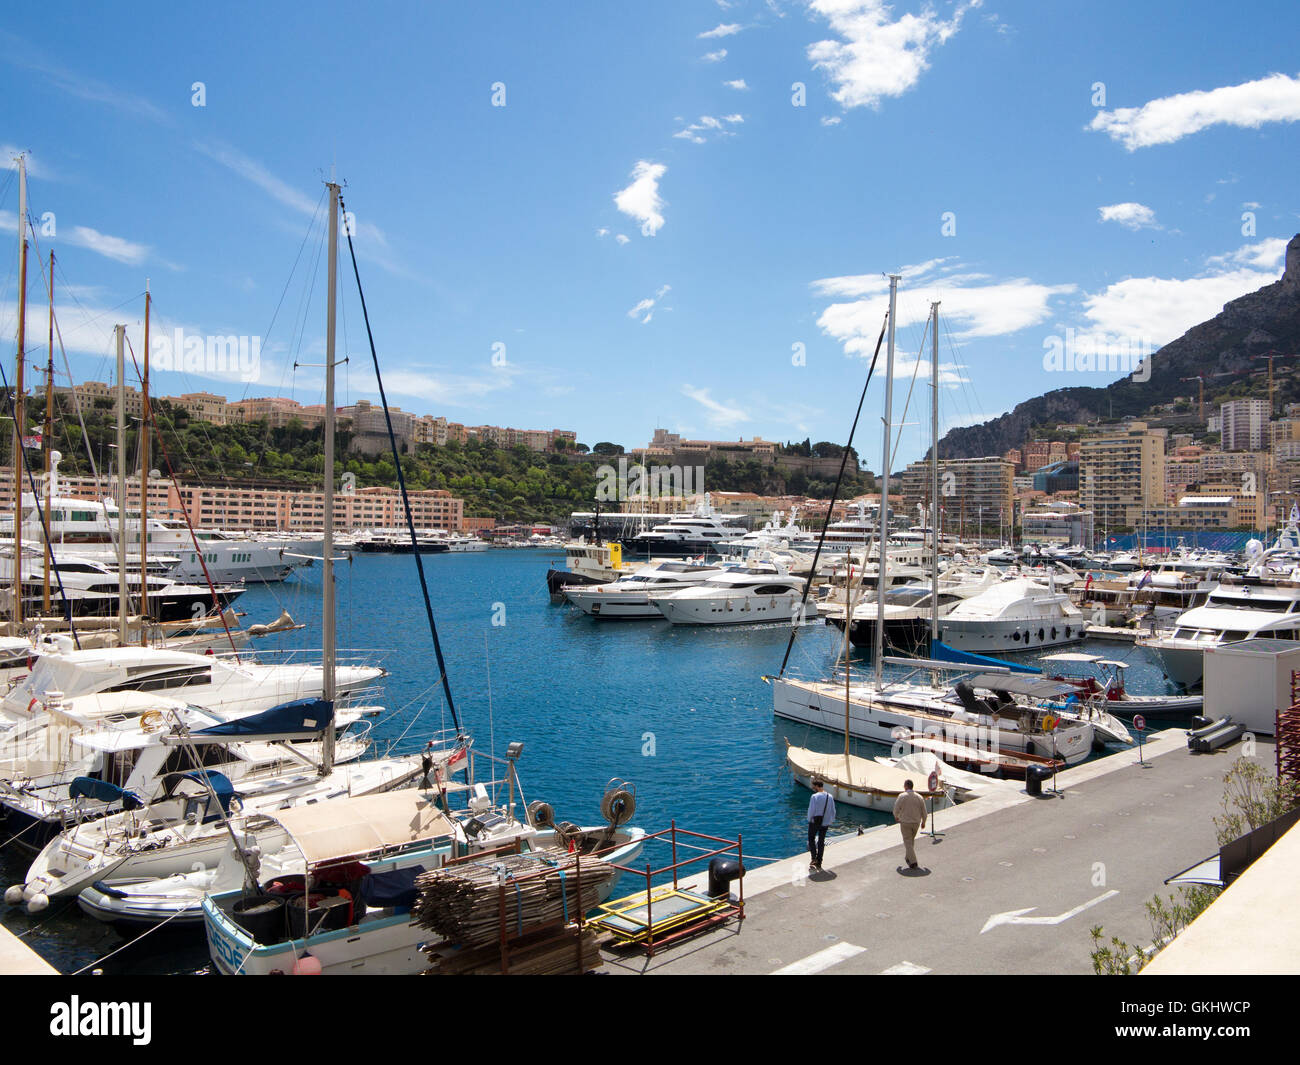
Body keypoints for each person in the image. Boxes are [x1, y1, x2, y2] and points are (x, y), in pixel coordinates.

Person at [893, 779, 927, 870]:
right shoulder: (919, 797)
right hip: (916, 822)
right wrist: (924, 821)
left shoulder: (902, 796)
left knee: (908, 841)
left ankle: (913, 861)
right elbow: (924, 811)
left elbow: (896, 808)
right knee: (911, 841)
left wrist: (896, 816)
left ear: (906, 786)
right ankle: (908, 858)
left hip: (905, 822)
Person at [806, 778, 835, 871]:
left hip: (815, 822)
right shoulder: (829, 796)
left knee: (811, 839)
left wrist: (809, 819)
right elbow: (833, 810)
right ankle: (819, 861)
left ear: (817, 786)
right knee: (821, 841)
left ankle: (813, 858)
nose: (813, 788)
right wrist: (830, 820)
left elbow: (811, 810)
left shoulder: (814, 796)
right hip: (825, 823)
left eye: (814, 786)